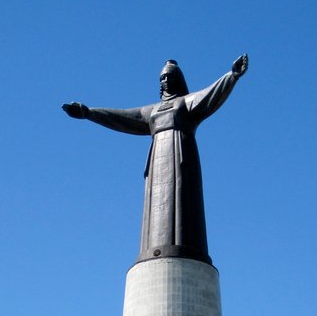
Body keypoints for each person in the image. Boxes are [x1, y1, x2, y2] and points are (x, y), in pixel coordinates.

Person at [62, 55, 248, 264]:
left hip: (180, 156)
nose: (165, 81)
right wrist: (89, 113)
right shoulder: (152, 111)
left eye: (169, 76)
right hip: (157, 161)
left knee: (184, 206)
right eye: (162, 78)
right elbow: (122, 117)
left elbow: (211, 94)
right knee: (155, 212)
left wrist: (232, 76)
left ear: (178, 79)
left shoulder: (186, 102)